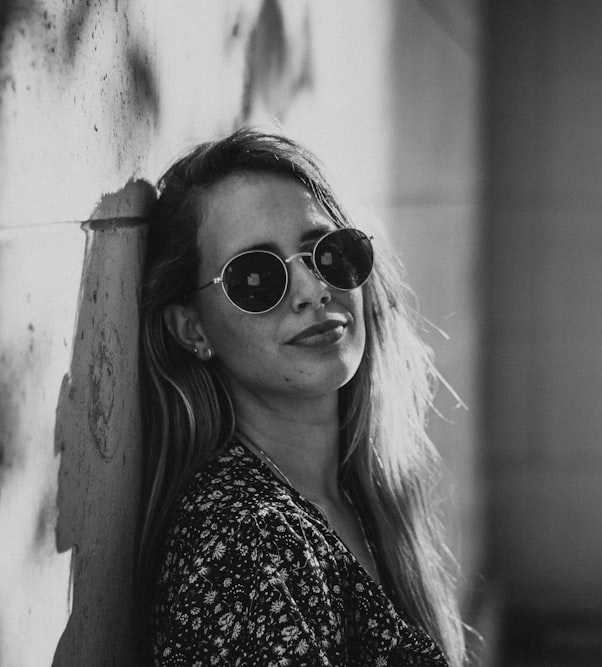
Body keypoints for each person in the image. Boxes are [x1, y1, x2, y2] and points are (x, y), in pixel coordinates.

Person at [137, 128, 466, 665]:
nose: (314, 290)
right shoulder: (246, 547)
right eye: (256, 277)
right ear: (191, 329)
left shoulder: (359, 492)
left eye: (326, 251)